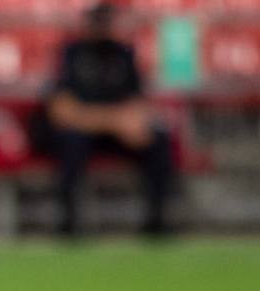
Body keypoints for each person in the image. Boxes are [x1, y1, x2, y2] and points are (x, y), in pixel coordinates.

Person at [38, 2, 174, 236]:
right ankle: (69, 223)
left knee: (157, 140)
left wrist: (131, 121)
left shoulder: (123, 54)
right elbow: (62, 111)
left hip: (115, 134)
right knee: (71, 142)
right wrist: (113, 120)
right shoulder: (71, 54)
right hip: (84, 130)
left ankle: (156, 220)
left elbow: (138, 103)